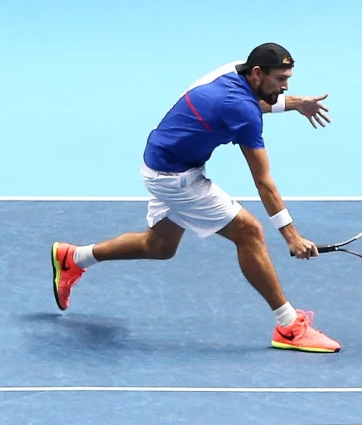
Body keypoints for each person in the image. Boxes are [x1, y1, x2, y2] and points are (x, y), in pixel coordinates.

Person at [51, 43, 340, 353]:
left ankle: (73, 258)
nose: (285, 87)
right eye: (281, 79)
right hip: (175, 177)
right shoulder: (242, 111)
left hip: (162, 157)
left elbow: (256, 103)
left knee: (159, 246)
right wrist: (291, 236)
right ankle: (288, 326)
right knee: (249, 232)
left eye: (288, 80)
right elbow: (263, 181)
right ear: (257, 73)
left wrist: (295, 103)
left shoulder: (233, 72)